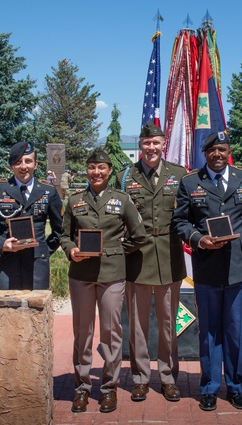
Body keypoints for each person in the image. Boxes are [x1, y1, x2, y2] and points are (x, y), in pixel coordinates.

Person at [172, 131, 242, 412]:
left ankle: (236, 387)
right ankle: (209, 387)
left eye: (222, 150)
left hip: (239, 268)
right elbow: (180, 222)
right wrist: (198, 239)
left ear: (228, 151)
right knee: (209, 331)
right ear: (205, 153)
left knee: (237, 330)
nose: (218, 155)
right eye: (212, 151)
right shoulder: (190, 183)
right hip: (207, 267)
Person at [60, 148, 146, 414]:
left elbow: (139, 235)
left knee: (111, 334)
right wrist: (71, 249)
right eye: (91, 168)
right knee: (82, 334)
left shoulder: (122, 200)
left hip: (111, 275)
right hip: (82, 276)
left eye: (101, 168)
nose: (96, 172)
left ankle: (109, 388)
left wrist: (117, 250)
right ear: (87, 171)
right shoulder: (75, 200)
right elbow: (64, 236)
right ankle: (82, 389)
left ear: (109, 171)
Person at [116, 123, 188, 403]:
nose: (151, 148)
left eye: (156, 143)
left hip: (169, 257)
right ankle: (140, 378)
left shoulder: (179, 175)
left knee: (170, 323)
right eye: (146, 143)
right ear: (141, 145)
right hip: (138, 258)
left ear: (163, 144)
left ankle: (168, 377)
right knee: (138, 324)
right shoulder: (125, 177)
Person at [0, 141, 63, 290]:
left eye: (28, 161)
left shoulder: (48, 192)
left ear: (36, 164)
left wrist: (44, 250)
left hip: (37, 265)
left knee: (36, 310)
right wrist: (0, 244)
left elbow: (60, 229)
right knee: (5, 310)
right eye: (18, 162)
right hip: (6, 266)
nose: (23, 167)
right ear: (11, 165)